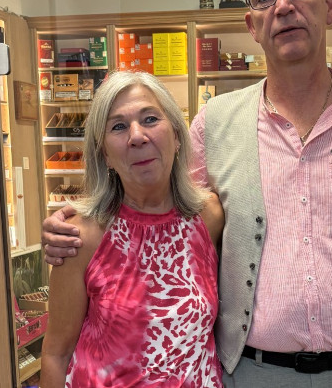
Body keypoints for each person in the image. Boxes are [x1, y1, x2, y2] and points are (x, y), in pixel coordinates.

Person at [42, 0, 332, 386]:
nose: (284, 6)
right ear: (252, 24)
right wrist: (76, 225)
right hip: (251, 373)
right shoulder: (214, 124)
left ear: (330, 5)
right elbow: (160, 209)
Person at [40, 71, 224, 388]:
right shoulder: (81, 237)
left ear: (177, 136)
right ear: (105, 155)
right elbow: (57, 353)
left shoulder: (209, 217)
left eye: (150, 119)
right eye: (118, 126)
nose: (137, 136)